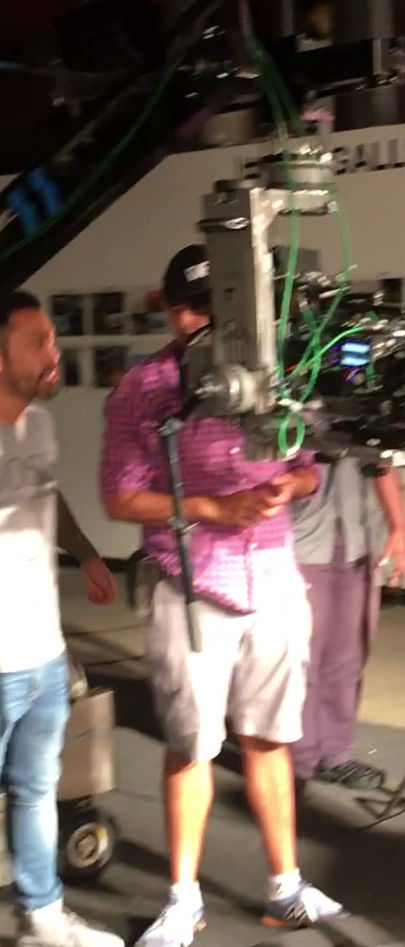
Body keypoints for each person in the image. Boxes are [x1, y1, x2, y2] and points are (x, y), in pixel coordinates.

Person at [99, 245, 344, 947]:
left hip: (273, 581)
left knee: (269, 739)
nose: (194, 321)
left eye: (207, 307)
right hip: (191, 586)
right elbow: (120, 497)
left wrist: (286, 486)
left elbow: (309, 468)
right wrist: (212, 508)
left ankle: (285, 887)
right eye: (184, 308)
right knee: (192, 745)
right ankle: (183, 900)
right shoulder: (147, 386)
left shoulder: (280, 374)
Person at [0, 290, 122, 947]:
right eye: (38, 342)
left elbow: (48, 495)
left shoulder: (40, 425)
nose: (55, 352)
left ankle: (43, 918)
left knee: (37, 789)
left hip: (44, 654)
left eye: (52, 339)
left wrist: (87, 552)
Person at [290, 457, 405, 792]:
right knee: (300, 658)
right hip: (300, 541)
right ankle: (296, 761)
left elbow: (381, 458)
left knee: (347, 657)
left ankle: (334, 754)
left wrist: (399, 527)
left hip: (356, 539)